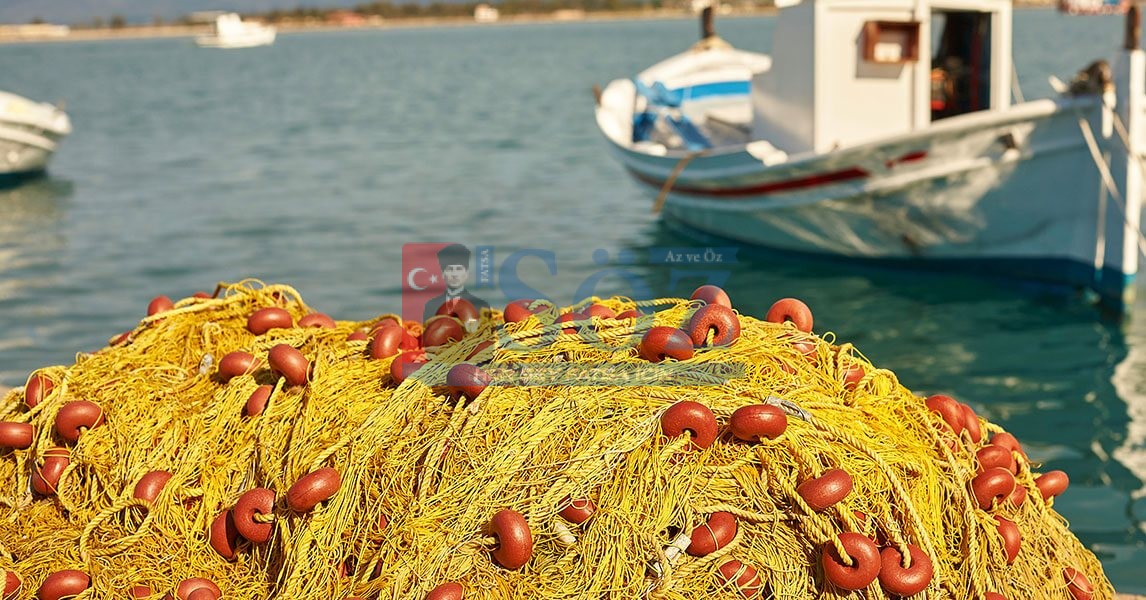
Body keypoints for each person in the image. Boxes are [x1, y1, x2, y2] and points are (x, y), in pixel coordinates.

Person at [422, 243, 490, 322]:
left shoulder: (481, 307)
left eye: (459, 269)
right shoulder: (431, 306)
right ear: (443, 274)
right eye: (450, 269)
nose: (454, 274)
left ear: (467, 273)